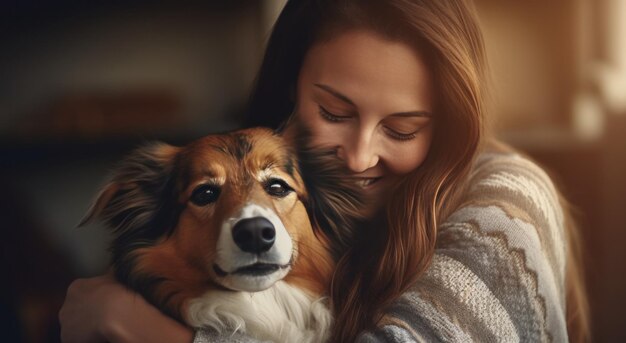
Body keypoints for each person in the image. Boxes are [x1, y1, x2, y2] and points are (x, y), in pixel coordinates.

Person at [59, 0, 590, 342]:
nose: (359, 158)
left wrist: (139, 329)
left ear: (448, 125)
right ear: (289, 89)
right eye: (334, 114)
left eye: (402, 129)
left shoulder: (504, 205)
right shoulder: (265, 162)